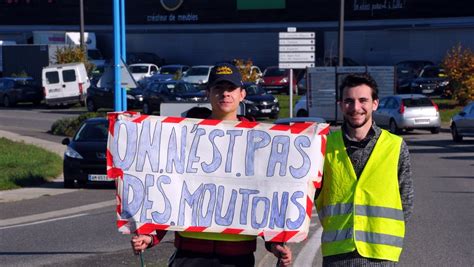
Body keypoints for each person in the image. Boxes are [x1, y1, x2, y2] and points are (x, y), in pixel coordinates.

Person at [131, 62, 292, 267]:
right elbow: (171, 188)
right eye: (218, 88)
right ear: (208, 93)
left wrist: (275, 243)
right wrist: (151, 235)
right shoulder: (186, 134)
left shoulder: (259, 140)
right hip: (190, 253)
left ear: (242, 94)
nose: (225, 94)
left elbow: (266, 193)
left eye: (231, 88)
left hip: (237, 258)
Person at [316, 73, 414, 266]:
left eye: (363, 100)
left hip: (381, 256)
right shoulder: (325, 145)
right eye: (349, 101)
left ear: (375, 104)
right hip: (337, 254)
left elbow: (406, 201)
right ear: (340, 104)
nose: (356, 108)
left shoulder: (395, 146)